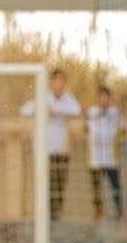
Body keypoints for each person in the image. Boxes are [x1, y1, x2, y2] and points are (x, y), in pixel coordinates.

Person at [20, 68, 81, 221]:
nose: (59, 83)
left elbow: (77, 110)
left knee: (59, 184)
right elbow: (24, 110)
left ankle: (55, 216)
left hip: (61, 150)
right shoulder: (43, 97)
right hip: (44, 150)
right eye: (56, 80)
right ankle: (44, 216)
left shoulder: (68, 99)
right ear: (52, 82)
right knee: (45, 184)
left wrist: (55, 109)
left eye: (62, 80)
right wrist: (43, 109)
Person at [85, 86, 123, 221]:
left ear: (109, 98)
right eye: (101, 97)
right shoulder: (92, 112)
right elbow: (85, 124)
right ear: (98, 98)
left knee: (115, 185)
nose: (103, 100)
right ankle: (98, 213)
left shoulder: (115, 113)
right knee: (96, 187)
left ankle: (119, 212)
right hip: (95, 156)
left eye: (106, 97)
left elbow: (121, 128)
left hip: (110, 156)